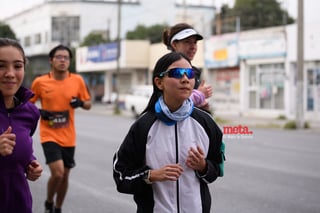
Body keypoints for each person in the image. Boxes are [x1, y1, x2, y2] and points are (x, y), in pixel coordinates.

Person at [113, 52, 223, 213]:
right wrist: (151, 175)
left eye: (190, 73)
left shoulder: (206, 123)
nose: (185, 79)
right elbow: (121, 176)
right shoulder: (144, 126)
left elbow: (216, 170)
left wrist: (203, 166)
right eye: (177, 73)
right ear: (159, 82)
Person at [29, 44, 92, 213]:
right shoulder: (40, 82)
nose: (63, 60)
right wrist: (41, 111)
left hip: (69, 136)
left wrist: (79, 103)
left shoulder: (77, 80)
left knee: (65, 176)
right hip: (49, 134)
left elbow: (88, 104)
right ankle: (49, 201)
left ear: (69, 61)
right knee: (57, 173)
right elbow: (29, 105)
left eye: (66, 57)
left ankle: (57, 208)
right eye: (59, 57)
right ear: (51, 60)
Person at [0, 37, 43, 213]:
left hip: (20, 205)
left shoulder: (30, 113)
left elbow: (23, 151)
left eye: (17, 66)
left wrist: (30, 164)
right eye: (1, 66)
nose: (10, 73)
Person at [162, 23, 213, 111]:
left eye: (195, 42)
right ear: (174, 44)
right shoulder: (164, 68)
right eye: (187, 42)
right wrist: (199, 95)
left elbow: (191, 104)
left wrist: (202, 105)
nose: (193, 47)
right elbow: (171, 105)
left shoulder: (195, 71)